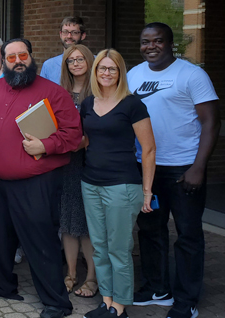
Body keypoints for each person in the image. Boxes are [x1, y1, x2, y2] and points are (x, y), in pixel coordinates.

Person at [0, 38, 82, 318]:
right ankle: (2, 284)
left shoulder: (53, 93)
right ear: (3, 62)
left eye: (23, 55)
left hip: (34, 182)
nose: (18, 61)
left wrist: (46, 145)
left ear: (31, 57)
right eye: (11, 57)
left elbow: (73, 135)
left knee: (39, 240)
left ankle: (56, 302)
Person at [129, 23, 219, 318]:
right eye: (145, 41)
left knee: (188, 235)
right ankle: (158, 288)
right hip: (147, 167)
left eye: (157, 41)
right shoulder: (134, 75)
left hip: (183, 168)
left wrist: (198, 167)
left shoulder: (192, 74)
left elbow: (210, 122)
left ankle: (186, 300)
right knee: (150, 230)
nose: (150, 46)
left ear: (170, 44)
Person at [80, 49, 156, 318]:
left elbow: (148, 150)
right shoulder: (88, 103)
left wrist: (147, 191)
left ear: (120, 72)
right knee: (99, 247)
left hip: (122, 186)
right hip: (90, 183)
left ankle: (120, 307)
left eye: (112, 69)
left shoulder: (132, 104)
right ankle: (107, 300)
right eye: (102, 68)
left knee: (119, 249)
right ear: (95, 71)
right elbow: (85, 141)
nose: (106, 73)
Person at [56, 44, 97, 298]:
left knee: (87, 225)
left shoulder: (100, 91)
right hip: (66, 163)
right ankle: (70, 274)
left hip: (91, 162)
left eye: (80, 59)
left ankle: (91, 277)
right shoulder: (61, 92)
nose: (76, 64)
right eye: (71, 61)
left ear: (90, 61)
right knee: (68, 222)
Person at [40, 17, 87, 84]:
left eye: (74, 32)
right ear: (60, 34)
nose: (69, 36)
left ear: (83, 35)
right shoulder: (49, 65)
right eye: (65, 32)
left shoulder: (95, 61)